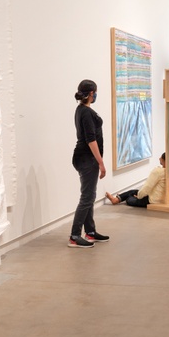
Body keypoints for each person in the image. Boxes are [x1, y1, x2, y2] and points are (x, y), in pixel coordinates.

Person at [69, 79, 109, 248]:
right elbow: (90, 140)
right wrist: (101, 162)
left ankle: (90, 232)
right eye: (95, 92)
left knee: (89, 195)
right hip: (87, 158)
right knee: (87, 197)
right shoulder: (85, 112)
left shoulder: (81, 109)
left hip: (84, 157)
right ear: (92, 93)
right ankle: (74, 235)